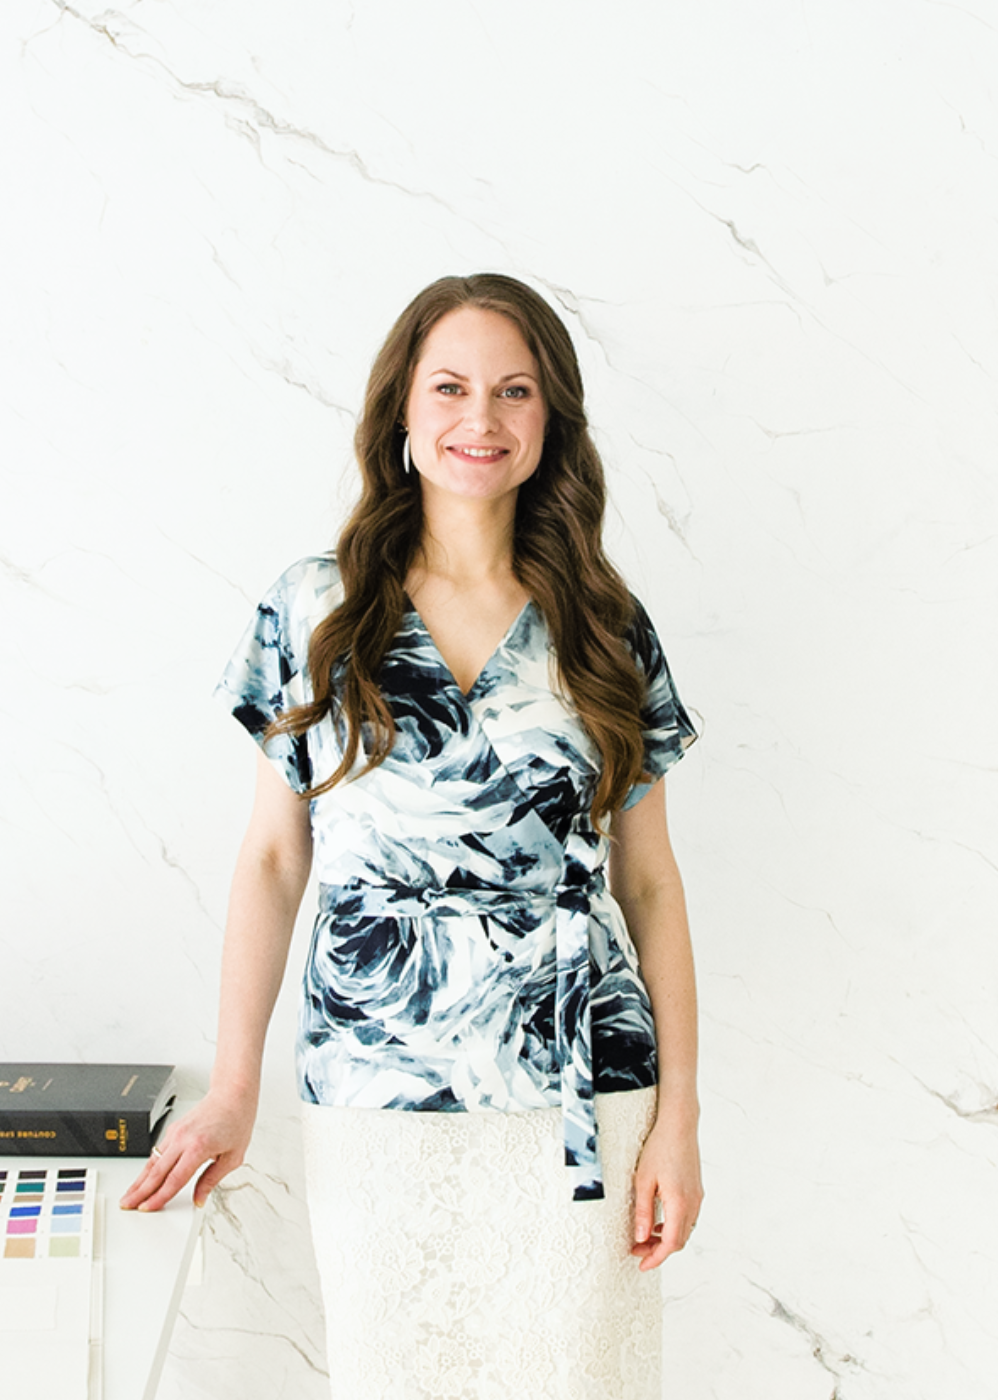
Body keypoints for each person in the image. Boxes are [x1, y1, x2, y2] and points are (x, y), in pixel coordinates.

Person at [121, 273, 702, 1399]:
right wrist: (233, 1082)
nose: (477, 418)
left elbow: (652, 882)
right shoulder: (314, 608)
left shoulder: (604, 622)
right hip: (374, 1091)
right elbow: (273, 858)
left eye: (511, 390)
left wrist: (677, 1120)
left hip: (581, 1091)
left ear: (549, 422)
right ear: (400, 410)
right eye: (448, 386)